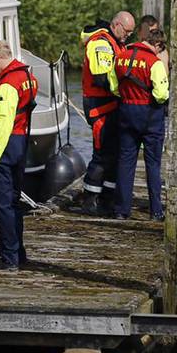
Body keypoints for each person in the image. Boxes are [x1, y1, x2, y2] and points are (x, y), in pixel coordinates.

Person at [0, 40, 38, 270]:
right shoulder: (27, 77)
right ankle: (18, 253)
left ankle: (8, 257)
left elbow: (3, 122)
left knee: (2, 204)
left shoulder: (7, 85)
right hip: (20, 145)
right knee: (14, 201)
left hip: (4, 147)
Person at [77, 11, 136, 215]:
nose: (128, 35)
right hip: (100, 105)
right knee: (102, 153)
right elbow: (103, 77)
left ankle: (107, 198)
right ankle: (89, 200)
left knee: (115, 153)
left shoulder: (117, 42)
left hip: (114, 104)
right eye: (126, 31)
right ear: (116, 24)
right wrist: (129, 90)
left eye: (131, 33)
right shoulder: (101, 43)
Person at [110, 27, 169, 221]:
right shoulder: (155, 62)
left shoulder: (121, 56)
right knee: (153, 164)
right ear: (157, 44)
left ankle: (121, 210)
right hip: (150, 115)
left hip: (126, 111)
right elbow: (161, 95)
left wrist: (128, 97)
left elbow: (113, 86)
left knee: (126, 161)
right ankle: (156, 211)